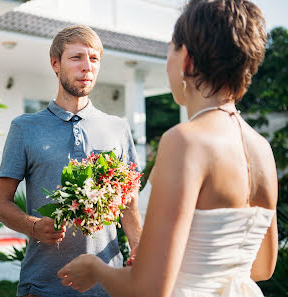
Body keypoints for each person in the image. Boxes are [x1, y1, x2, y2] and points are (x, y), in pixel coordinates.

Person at [57, 1, 278, 296]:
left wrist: (95, 269)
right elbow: (262, 267)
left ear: (185, 60)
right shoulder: (262, 149)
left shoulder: (185, 141)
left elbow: (149, 289)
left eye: (170, 49)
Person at [0, 25, 143, 297]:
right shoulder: (25, 128)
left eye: (94, 58)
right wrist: (34, 226)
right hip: (42, 286)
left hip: (108, 285)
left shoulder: (118, 128)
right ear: (55, 64)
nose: (87, 67)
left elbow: (128, 201)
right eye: (76, 57)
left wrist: (138, 247)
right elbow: (1, 204)